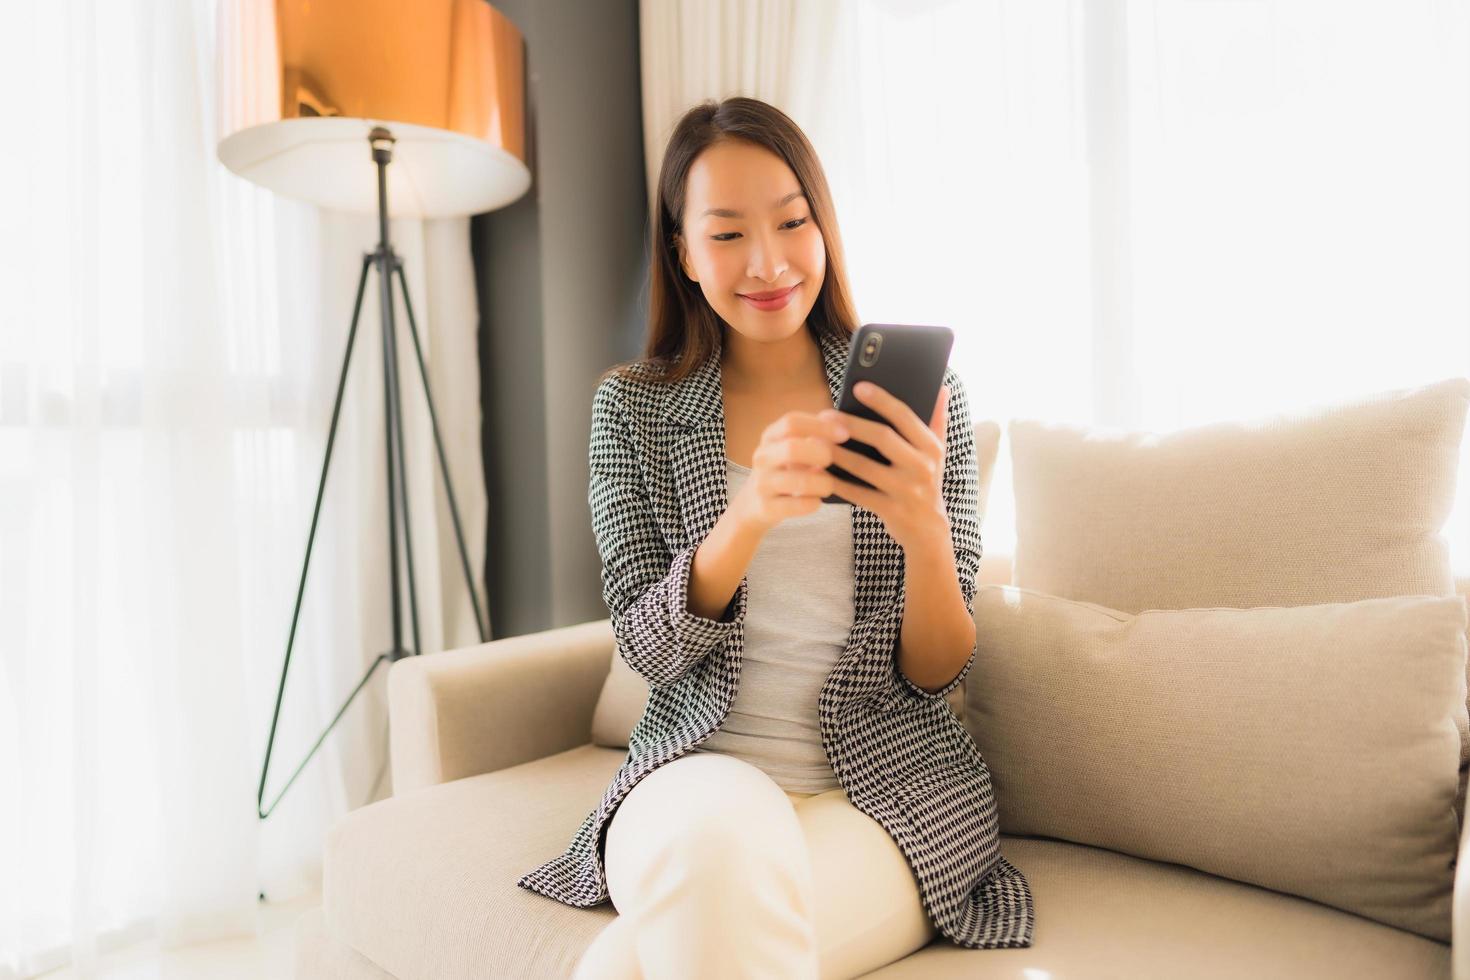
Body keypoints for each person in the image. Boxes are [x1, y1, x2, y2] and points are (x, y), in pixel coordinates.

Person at [516, 96, 1035, 979]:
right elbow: (646, 648)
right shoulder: (633, 411)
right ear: (682, 252)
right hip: (698, 772)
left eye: (792, 222)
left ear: (823, 228)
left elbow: (939, 669)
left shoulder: (923, 395)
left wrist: (923, 532)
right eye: (725, 235)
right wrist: (746, 518)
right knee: (716, 861)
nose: (767, 262)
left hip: (885, 793)